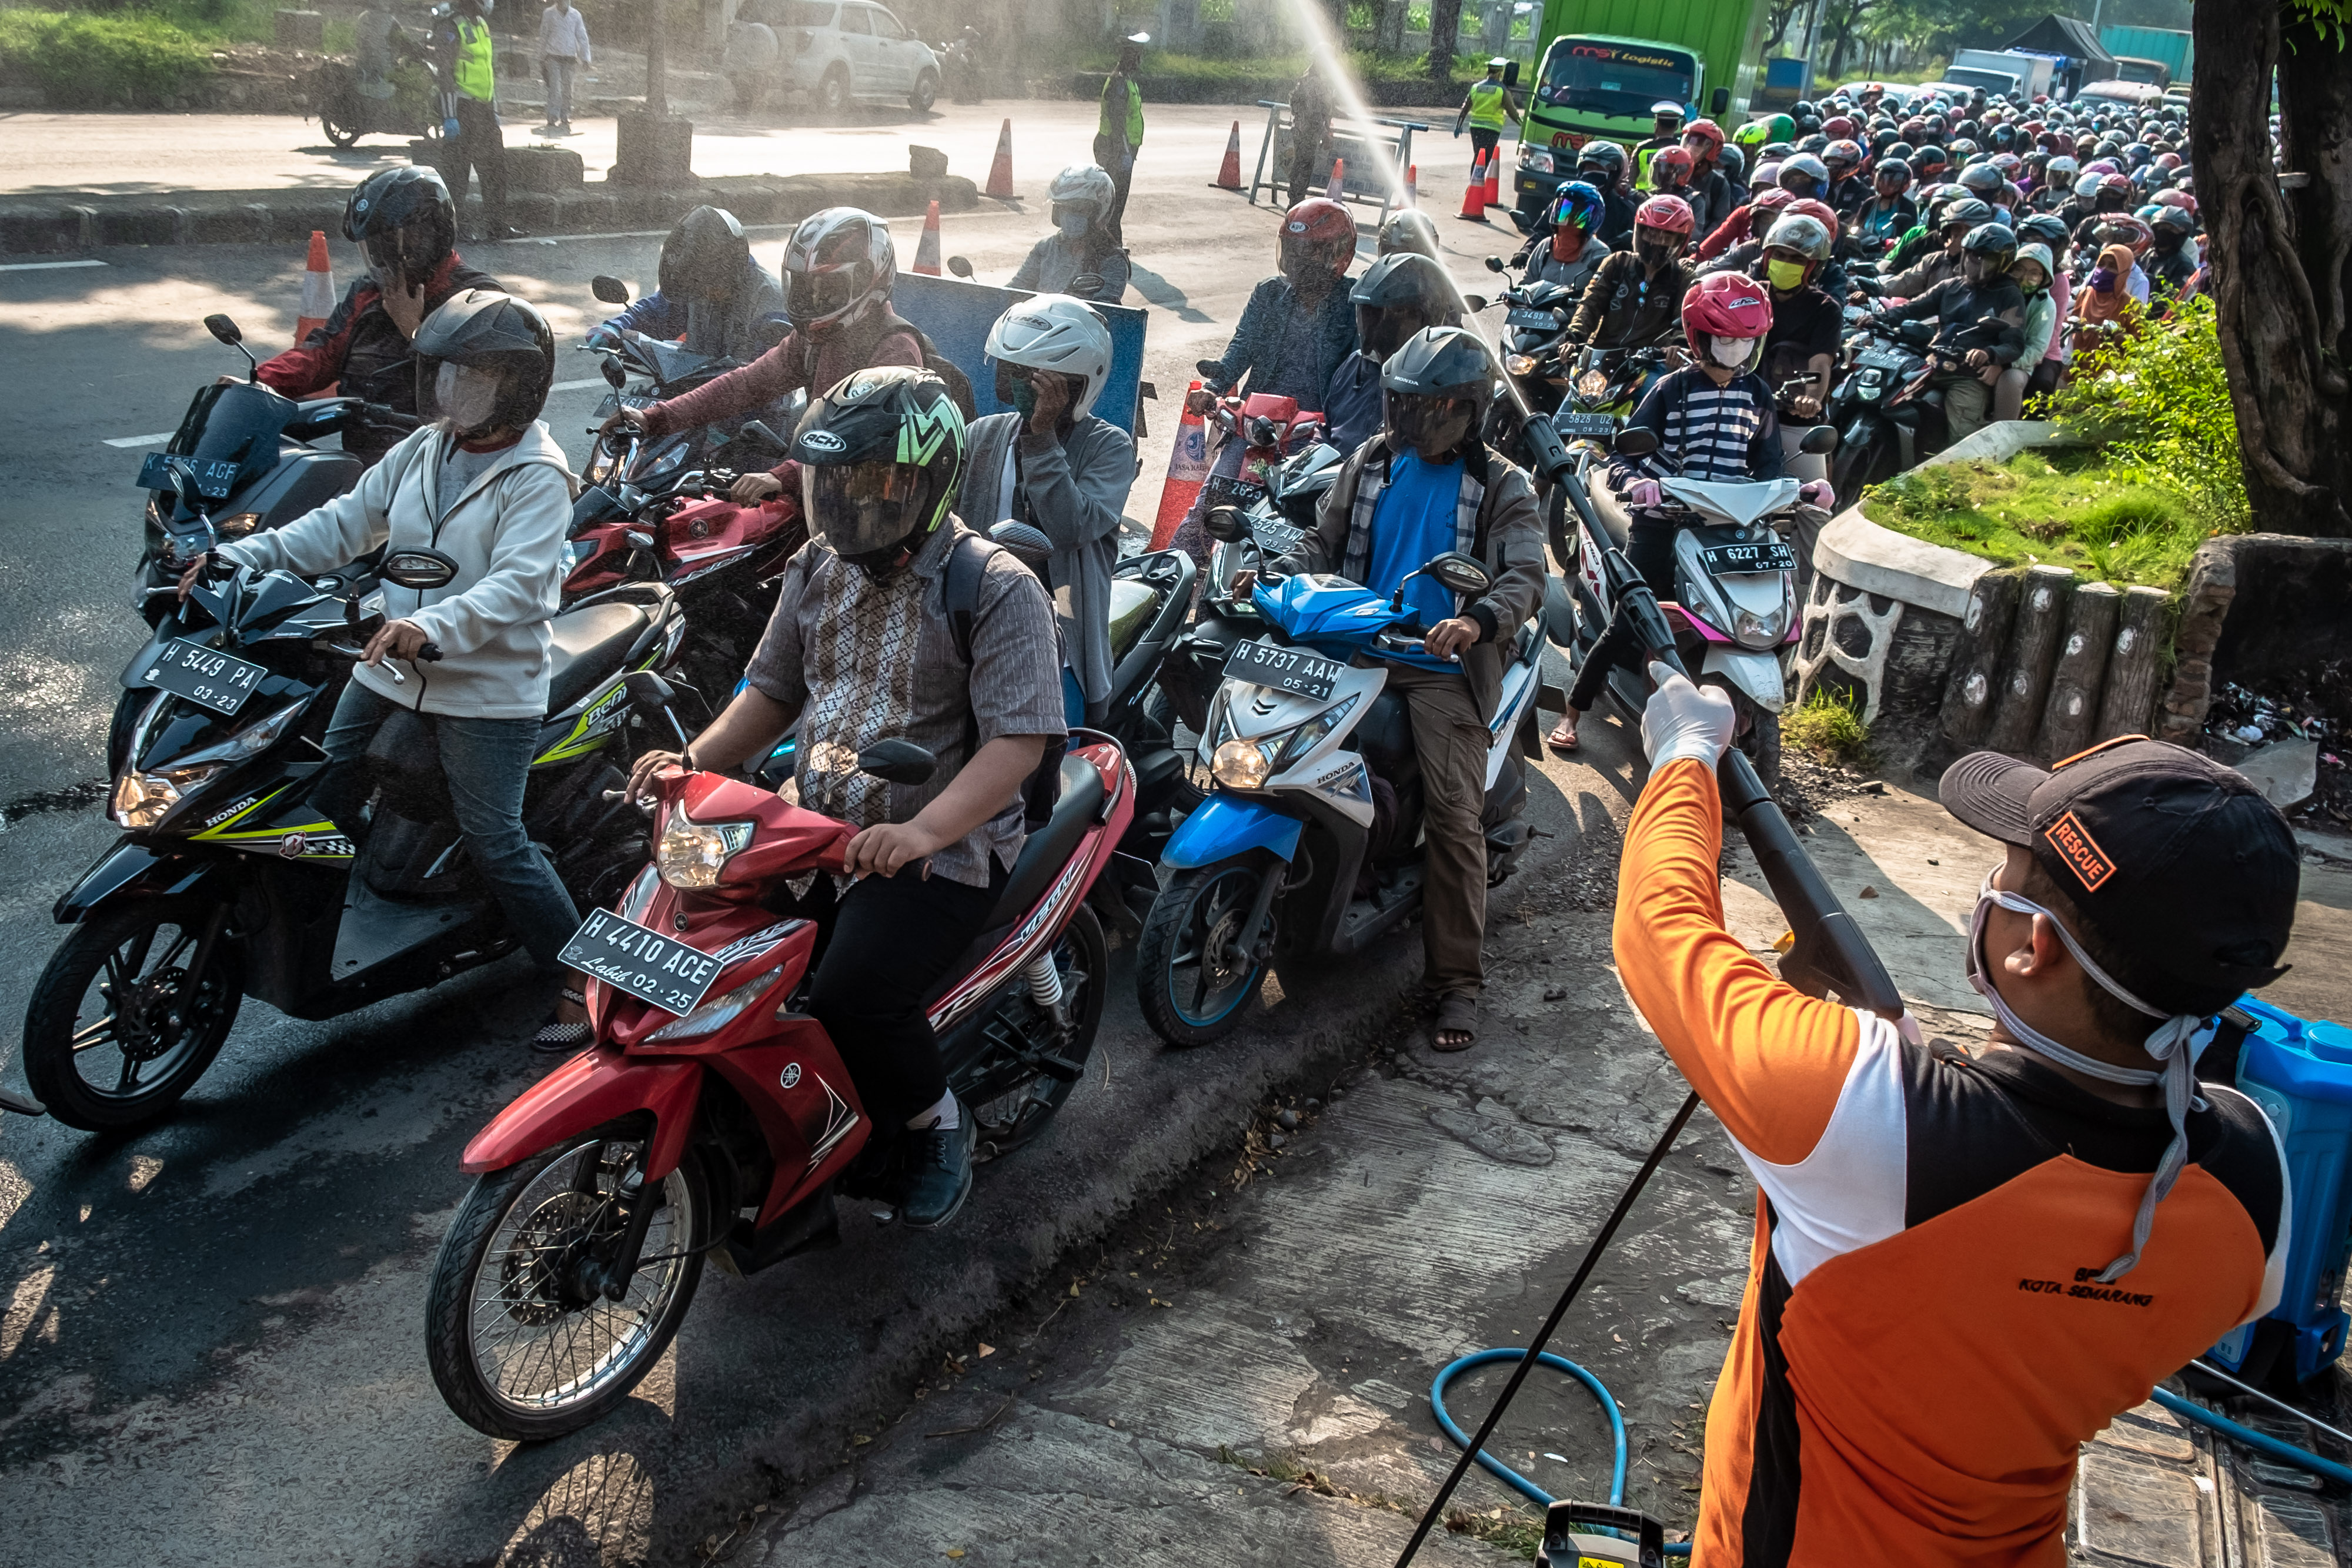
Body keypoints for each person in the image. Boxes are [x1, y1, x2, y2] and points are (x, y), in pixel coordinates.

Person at [1614, 703, 2294, 1564]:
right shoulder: (2255, 1180)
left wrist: (1683, 746)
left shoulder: (1873, 1117)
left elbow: (1659, 928)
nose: (1988, 890)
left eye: (2004, 874)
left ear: (2032, 945)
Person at [625, 367, 1065, 1230]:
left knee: (853, 993)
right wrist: (691, 760)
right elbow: (772, 692)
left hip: (943, 847)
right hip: (811, 824)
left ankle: (935, 1124)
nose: (849, 504)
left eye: (872, 484)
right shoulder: (816, 565)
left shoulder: (997, 587)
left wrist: (921, 831)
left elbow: (1020, 741)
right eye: (837, 483)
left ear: (927, 482)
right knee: (720, 956)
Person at [183, 290, 586, 1047]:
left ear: (519, 384)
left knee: (496, 839)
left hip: (486, 688)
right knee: (315, 792)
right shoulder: (427, 448)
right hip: (389, 665)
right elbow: (342, 523)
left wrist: (427, 624)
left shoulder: (538, 477)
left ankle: (581, 980)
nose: (451, 389)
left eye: (474, 375)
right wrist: (235, 557)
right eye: (445, 373)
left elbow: (519, 586)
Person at [1240, 326, 1544, 1053]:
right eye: (1402, 405)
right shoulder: (1372, 462)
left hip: (1439, 667)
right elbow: (1323, 540)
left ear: (1468, 410)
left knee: (1453, 821)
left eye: (1429, 408)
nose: (1411, 422)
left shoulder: (1503, 484)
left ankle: (1455, 985)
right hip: (1349, 641)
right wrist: (1278, 571)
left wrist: (1477, 621)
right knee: (1256, 741)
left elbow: (1526, 577)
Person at [1551, 274, 1813, 754]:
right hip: (1663, 522)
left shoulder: (1758, 396)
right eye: (1726, 339)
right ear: (1700, 338)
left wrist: (1800, 489)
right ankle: (1573, 712)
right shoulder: (1671, 389)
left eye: (1746, 341)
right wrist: (1640, 484)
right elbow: (1621, 457)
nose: (1736, 350)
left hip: (1729, 529)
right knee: (1630, 620)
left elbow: (1769, 465)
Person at [600, 208, 926, 504]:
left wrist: (782, 475)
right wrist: (655, 418)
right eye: (805, 286)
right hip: (815, 486)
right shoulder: (815, 339)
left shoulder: (895, 350)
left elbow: (864, 439)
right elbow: (746, 384)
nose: (812, 299)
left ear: (869, 281)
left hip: (868, 509)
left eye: (827, 289)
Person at [953, 296, 1132, 726]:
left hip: (1058, 640)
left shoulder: (1109, 447)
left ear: (1074, 384)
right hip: (969, 622)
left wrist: (1041, 437)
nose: (1018, 385)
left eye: (1033, 378)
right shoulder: (981, 434)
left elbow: (1069, 527)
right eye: (1011, 372)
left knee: (1051, 769)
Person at [250, 167, 503, 460]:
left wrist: (413, 330)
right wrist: (256, 383)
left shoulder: (478, 299)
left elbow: (481, 392)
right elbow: (322, 353)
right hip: (367, 461)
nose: (383, 257)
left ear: (433, 232)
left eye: (394, 242)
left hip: (440, 464)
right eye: (374, 247)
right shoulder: (370, 292)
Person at [1874, 221, 2027, 440]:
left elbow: (2014, 343)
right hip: (1929, 364)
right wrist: (1876, 318)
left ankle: (1964, 471)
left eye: (1987, 258)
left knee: (1962, 438)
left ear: (2003, 263)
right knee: (1880, 398)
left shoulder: (2009, 295)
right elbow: (1911, 308)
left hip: (1967, 376)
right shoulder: (1951, 286)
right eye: (1973, 255)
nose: (1977, 263)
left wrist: (1989, 354)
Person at [590, 205, 787, 363]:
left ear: (730, 269)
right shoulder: (696, 287)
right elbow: (653, 310)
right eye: (697, 285)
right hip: (700, 390)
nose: (704, 294)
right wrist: (614, 328)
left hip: (755, 403)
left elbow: (767, 378)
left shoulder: (770, 306)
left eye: (709, 284)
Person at [1324, 250, 1462, 452]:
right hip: (1337, 479)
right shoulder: (1354, 366)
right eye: (1368, 314)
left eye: (1387, 315)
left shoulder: (1440, 385)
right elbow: (1329, 429)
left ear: (1423, 316)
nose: (1374, 326)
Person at [1565, 194, 1698, 360]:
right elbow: (1591, 303)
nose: (1656, 241)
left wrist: (1678, 346)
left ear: (1681, 241)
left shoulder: (1683, 277)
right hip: (1602, 355)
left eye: (1666, 237)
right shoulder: (1617, 263)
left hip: (1650, 363)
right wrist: (1575, 337)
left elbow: (1686, 321)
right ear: (1638, 232)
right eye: (1650, 233)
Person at [430, 0, 522, 240]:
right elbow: (445, 73)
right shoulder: (450, 26)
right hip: (462, 108)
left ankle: (497, 225)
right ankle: (455, 228)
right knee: (457, 173)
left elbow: (486, 69)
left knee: (495, 170)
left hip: (483, 109)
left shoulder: (482, 25)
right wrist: (450, 117)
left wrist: (494, 107)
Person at [1007, 165, 1131, 303]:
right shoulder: (1045, 249)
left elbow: (1104, 309)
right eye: (1063, 209)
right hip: (1036, 322)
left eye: (1078, 210)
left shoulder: (1112, 259)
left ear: (1099, 212)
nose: (1068, 215)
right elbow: (1015, 291)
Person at [1992, 240, 2059, 422]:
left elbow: (2037, 349)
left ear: (2044, 277)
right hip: (1987, 353)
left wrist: (2004, 365)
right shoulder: (1997, 290)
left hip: (2018, 363)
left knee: (2011, 379)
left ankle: (2001, 435)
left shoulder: (2045, 304)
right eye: (2020, 269)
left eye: (2034, 273)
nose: (2024, 277)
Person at [1094, 33, 1148, 244]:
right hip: (1114, 149)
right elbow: (1117, 124)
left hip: (1120, 149)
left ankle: (1109, 242)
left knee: (1115, 202)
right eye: (1137, 56)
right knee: (1114, 204)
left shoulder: (1126, 80)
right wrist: (1124, 152)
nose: (1139, 61)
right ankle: (1110, 245)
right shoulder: (1119, 82)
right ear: (1129, 58)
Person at [1511, 179, 1611, 293]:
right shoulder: (1545, 246)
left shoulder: (1600, 254)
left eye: (1577, 218)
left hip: (1577, 311)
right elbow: (1526, 284)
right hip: (1539, 310)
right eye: (1563, 213)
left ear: (1593, 219)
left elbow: (1601, 298)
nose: (1567, 223)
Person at [2067, 242, 2146, 369]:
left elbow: (2139, 343)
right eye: (2101, 264)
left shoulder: (2131, 305)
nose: (2104, 270)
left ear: (2123, 272)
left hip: (2106, 374)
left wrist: (2117, 336)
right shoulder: (2085, 293)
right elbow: (2073, 323)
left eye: (2112, 266)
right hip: (2073, 367)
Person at [1454, 57, 1522, 182]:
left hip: (1475, 128)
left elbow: (1465, 109)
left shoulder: (1476, 88)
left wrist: (1458, 126)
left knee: (1478, 156)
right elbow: (1512, 112)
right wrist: (1523, 126)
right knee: (1485, 158)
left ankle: (1473, 183)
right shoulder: (1501, 90)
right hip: (1492, 129)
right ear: (1499, 73)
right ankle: (1475, 186)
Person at [1287, 52, 1336, 207]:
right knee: (1304, 167)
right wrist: (1325, 133)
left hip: (1301, 129)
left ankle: (1294, 200)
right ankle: (1295, 203)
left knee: (1300, 165)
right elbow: (1315, 112)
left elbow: (1295, 101)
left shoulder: (1307, 78)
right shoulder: (1316, 82)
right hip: (1308, 132)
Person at [536, 0, 589, 136]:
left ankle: (565, 114)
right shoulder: (548, 13)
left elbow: (582, 37)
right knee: (555, 88)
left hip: (570, 57)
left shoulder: (576, 15)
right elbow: (544, 35)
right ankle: (553, 116)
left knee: (568, 88)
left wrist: (585, 58)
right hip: (553, 56)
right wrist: (541, 57)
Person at [1633, 101, 1686, 185]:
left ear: (1656, 126)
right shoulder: (1683, 150)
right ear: (1676, 127)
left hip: (1642, 196)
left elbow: (1631, 179)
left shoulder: (1642, 149)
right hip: (1673, 197)